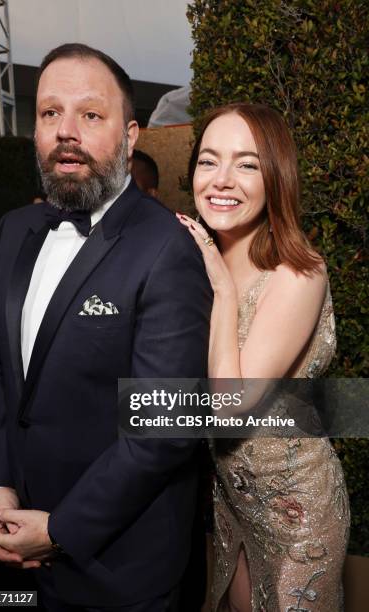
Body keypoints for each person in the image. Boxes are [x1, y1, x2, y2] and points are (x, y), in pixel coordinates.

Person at [0, 43, 212, 612]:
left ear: (131, 136)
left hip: (117, 569)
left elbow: (162, 432)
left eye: (90, 114)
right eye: (50, 113)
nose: (65, 131)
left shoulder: (165, 249)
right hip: (14, 553)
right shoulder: (14, 229)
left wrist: (59, 530)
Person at [176, 103, 350, 612]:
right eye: (209, 161)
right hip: (233, 500)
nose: (222, 180)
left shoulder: (298, 271)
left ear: (276, 176)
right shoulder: (192, 257)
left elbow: (230, 408)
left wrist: (224, 294)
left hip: (299, 512)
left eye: (247, 164)